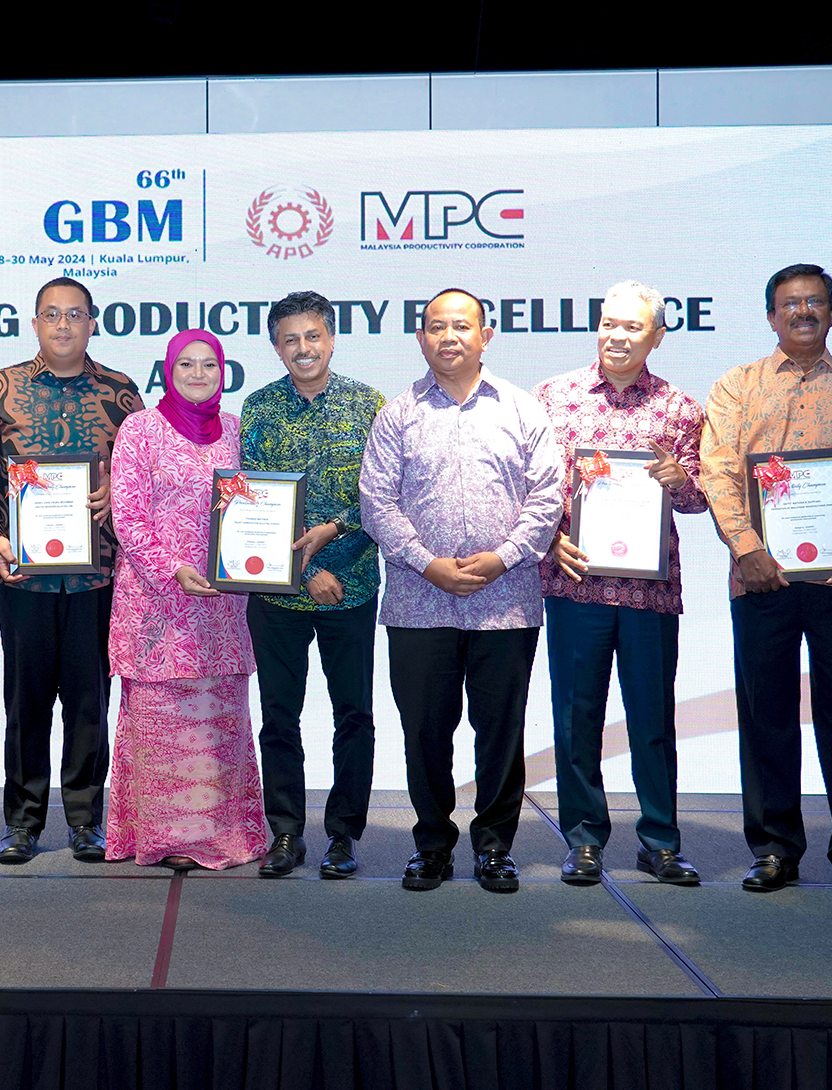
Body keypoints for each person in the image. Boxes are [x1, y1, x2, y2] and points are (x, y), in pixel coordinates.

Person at [701, 264, 832, 902]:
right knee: (765, 714)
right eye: (790, 304)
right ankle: (772, 849)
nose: (802, 313)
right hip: (762, 578)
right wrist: (747, 549)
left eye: (814, 302)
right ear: (770, 315)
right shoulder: (736, 387)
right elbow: (716, 473)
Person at [359, 288, 561, 893]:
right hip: (419, 606)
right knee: (424, 731)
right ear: (420, 337)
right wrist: (427, 564)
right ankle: (432, 844)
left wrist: (504, 558)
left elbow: (549, 496)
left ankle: (495, 845)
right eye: (435, 327)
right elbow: (376, 502)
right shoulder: (398, 414)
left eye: (461, 326)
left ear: (485, 334)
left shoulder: (523, 410)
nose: (449, 337)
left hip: (508, 603)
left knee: (501, 731)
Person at [535, 281, 709, 888]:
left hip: (649, 594)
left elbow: (697, 500)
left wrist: (676, 477)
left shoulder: (680, 408)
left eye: (632, 327)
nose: (617, 336)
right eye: (609, 323)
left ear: (656, 336)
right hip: (574, 583)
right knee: (575, 717)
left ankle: (660, 840)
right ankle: (583, 840)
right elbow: (531, 492)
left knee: (653, 719)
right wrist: (549, 540)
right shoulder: (553, 398)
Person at [0, 278, 143, 866]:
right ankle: (21, 821)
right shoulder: (0, 389)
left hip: (97, 574)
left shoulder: (122, 392)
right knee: (24, 703)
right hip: (21, 575)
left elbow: (143, 475)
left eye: (75, 315)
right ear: (35, 322)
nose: (64, 325)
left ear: (94, 322)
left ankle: (87, 820)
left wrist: (117, 492)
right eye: (52, 314)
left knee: (87, 700)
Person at [106, 329, 267, 871]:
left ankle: (220, 837)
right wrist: (173, 569)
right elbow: (127, 515)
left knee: (218, 718)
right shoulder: (141, 430)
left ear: (223, 373)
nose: (198, 375)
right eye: (186, 366)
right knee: (158, 719)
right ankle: (160, 838)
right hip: (156, 603)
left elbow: (258, 510)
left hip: (221, 603)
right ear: (167, 372)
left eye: (209, 366)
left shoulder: (239, 432)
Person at [238, 291, 383, 880]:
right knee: (279, 716)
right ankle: (286, 832)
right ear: (276, 347)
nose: (303, 348)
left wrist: (334, 540)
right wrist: (305, 572)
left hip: (352, 590)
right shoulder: (258, 409)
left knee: (354, 715)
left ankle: (344, 836)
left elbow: (381, 500)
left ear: (331, 338)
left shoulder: (369, 406)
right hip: (278, 593)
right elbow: (246, 504)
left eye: (313, 336)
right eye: (290, 340)